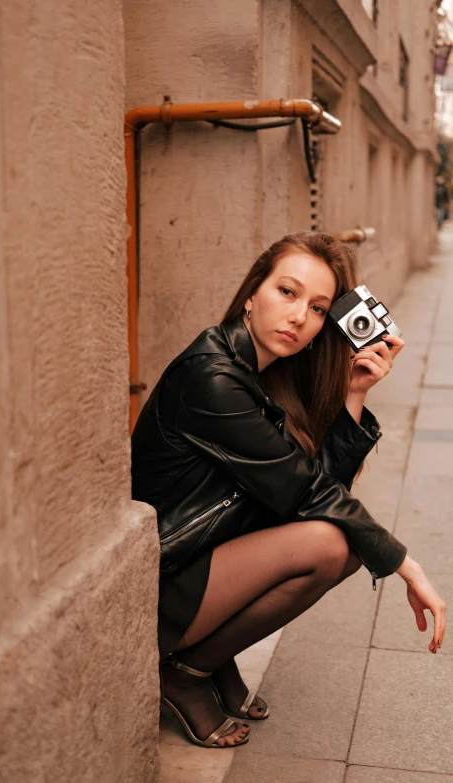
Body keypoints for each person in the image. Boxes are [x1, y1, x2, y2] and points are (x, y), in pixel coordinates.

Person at [131, 231, 446, 749]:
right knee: (331, 545)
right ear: (252, 293)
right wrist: (407, 566)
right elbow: (306, 492)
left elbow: (307, 487)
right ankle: (187, 671)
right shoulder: (212, 378)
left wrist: (353, 394)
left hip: (203, 560)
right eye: (288, 292)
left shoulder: (265, 374)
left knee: (337, 543)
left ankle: (211, 659)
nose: (300, 316)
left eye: (319, 307)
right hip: (162, 579)